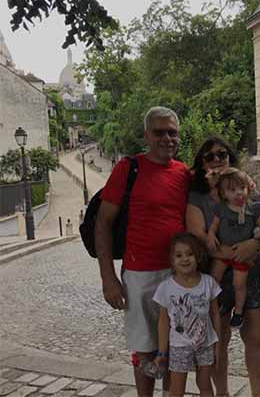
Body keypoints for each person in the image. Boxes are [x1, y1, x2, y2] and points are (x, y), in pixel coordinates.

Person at [95, 106, 190, 396]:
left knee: (177, 347)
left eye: (172, 132)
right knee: (145, 350)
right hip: (139, 275)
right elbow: (103, 222)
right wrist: (108, 278)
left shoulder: (184, 173)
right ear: (147, 135)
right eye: (159, 132)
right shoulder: (129, 169)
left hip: (179, 275)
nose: (166, 138)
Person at [186, 136, 260, 397]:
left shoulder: (248, 190)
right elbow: (199, 236)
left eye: (221, 154)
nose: (216, 159)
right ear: (202, 163)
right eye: (209, 156)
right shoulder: (198, 198)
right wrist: (236, 251)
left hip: (251, 273)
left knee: (255, 338)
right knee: (218, 342)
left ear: (229, 157)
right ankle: (221, 393)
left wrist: (254, 247)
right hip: (216, 278)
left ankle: (258, 392)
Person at [152, 232, 221, 397]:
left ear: (198, 257)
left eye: (190, 254)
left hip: (205, 345)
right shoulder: (166, 288)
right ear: (172, 260)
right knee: (177, 389)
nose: (185, 259)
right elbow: (163, 322)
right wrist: (162, 352)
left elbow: (215, 314)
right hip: (179, 347)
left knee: (205, 385)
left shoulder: (208, 283)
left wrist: (217, 344)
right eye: (179, 255)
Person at [207, 168, 260, 330]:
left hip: (243, 255)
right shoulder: (221, 208)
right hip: (223, 251)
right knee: (213, 277)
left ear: (248, 188)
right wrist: (210, 236)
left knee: (239, 284)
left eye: (242, 188)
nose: (239, 193)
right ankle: (217, 304)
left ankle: (238, 311)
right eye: (232, 190)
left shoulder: (252, 207)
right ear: (223, 194)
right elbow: (213, 227)